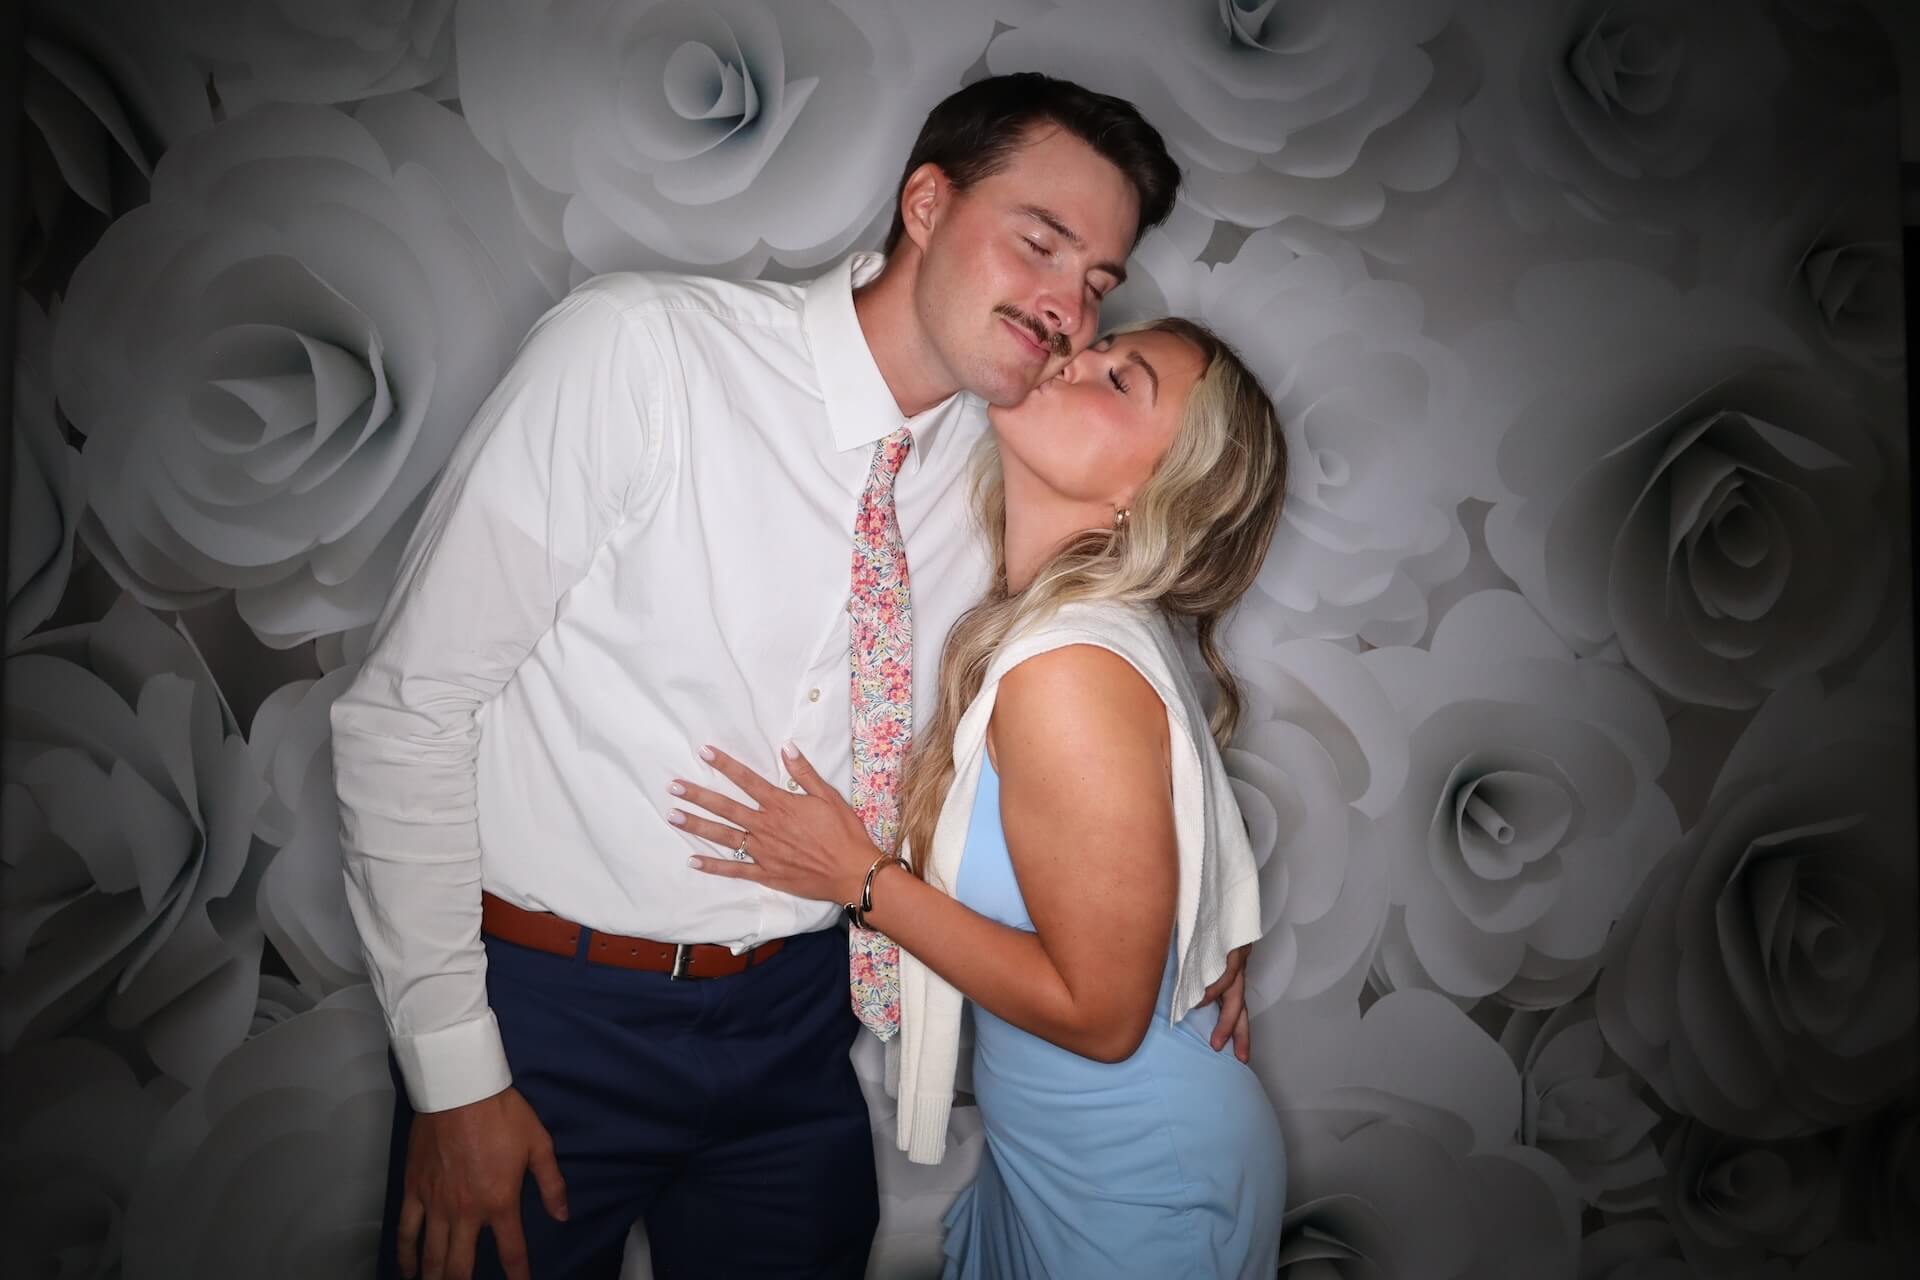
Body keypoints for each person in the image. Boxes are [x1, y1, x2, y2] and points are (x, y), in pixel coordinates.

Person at [330, 73, 1259, 1280]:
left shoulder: (1012, 461)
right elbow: (406, 712)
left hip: (795, 1030)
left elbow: (1123, 654)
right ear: (927, 202)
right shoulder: (642, 354)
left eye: (1097, 285)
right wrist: (455, 1075)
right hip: (553, 1011)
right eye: (1041, 242)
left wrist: (1206, 908)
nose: (1067, 311)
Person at [670, 316, 1290, 1278]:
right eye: (1104, 344)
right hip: (1056, 1163)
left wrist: (859, 879)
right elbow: (1162, 806)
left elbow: (1103, 1016)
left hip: (1135, 1186)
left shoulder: (1070, 666)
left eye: (1123, 381)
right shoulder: (1074, 627)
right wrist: (1210, 922)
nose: (1079, 355)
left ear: (1151, 489)